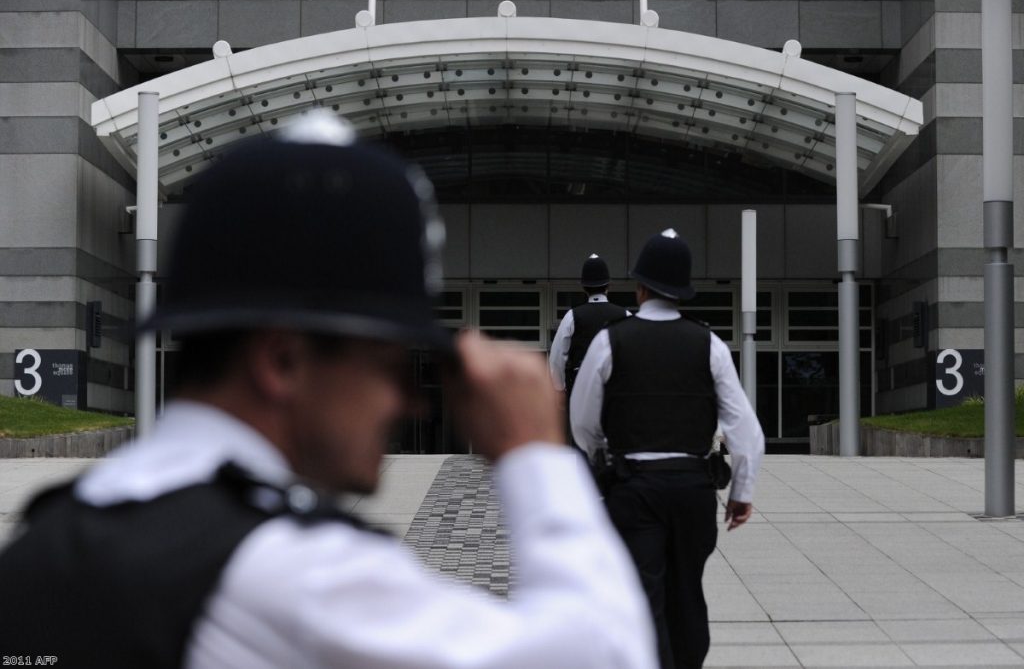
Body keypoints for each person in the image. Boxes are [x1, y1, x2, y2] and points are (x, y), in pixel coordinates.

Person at [0, 114, 657, 669]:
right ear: (283, 361)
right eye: (393, 364)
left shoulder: (54, 533)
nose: (415, 401)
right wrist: (531, 450)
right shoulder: (295, 576)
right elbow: (607, 652)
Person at [570, 229, 765, 669]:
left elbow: (582, 422)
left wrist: (604, 457)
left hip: (634, 488)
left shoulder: (611, 341)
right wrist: (742, 493)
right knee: (687, 593)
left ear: (640, 288)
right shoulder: (709, 344)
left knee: (643, 598)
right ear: (682, 291)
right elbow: (746, 432)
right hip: (694, 490)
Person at [548, 253, 629, 400]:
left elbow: (557, 357)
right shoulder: (625, 315)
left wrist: (559, 389)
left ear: (584, 287)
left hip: (581, 387)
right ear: (608, 285)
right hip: (616, 388)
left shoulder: (572, 316)